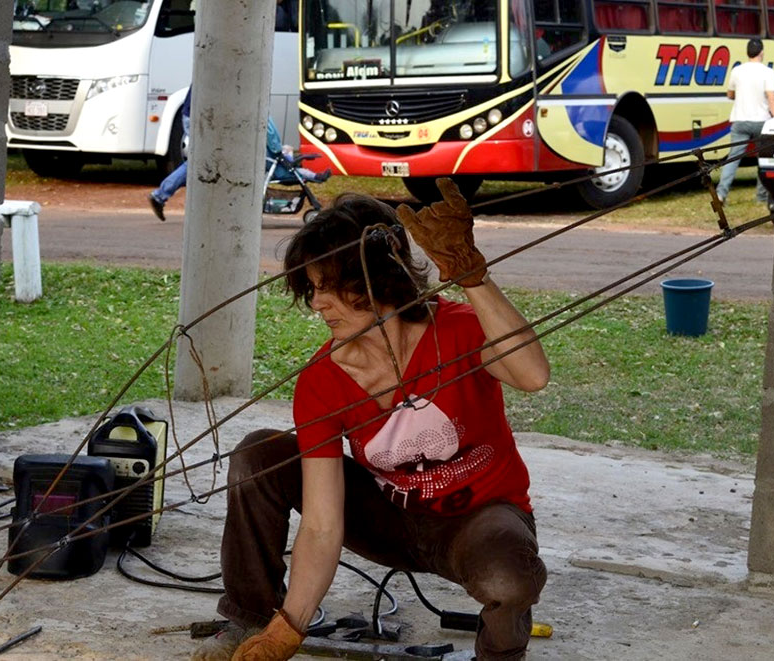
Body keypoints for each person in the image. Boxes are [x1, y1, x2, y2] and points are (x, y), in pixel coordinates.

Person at [192, 179, 549, 661]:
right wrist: (288, 631)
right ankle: (251, 620)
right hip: (388, 519)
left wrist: (473, 278)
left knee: (506, 575)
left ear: (377, 283)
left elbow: (532, 375)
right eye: (312, 289)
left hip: (479, 520)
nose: (318, 304)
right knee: (260, 455)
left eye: (331, 288)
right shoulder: (322, 380)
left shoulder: (460, 330)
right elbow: (321, 524)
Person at [715, 38, 774, 205]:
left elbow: (729, 94)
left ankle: (721, 194)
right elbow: (772, 98)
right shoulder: (768, 72)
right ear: (762, 52)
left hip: (740, 121)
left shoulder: (737, 71)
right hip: (761, 122)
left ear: (747, 53)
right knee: (763, 159)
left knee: (733, 158)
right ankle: (762, 196)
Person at [148, 86, 191, 221]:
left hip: (190, 114)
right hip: (196, 115)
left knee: (199, 162)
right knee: (199, 162)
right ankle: (160, 195)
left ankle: (160, 195)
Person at [266, 116, 330, 184]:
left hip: (272, 157)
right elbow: (274, 144)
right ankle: (315, 176)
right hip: (275, 162)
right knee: (293, 169)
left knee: (288, 153)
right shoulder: (265, 118)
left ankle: (314, 175)